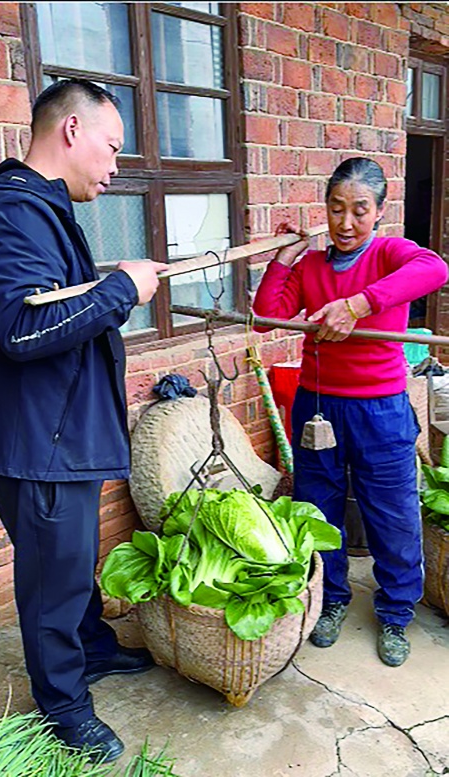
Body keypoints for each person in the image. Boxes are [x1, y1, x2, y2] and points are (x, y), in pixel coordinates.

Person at [0, 78, 168, 762]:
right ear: (71, 132)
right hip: (40, 440)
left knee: (71, 561)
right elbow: (20, 328)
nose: (117, 166)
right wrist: (123, 288)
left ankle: (90, 646)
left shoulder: (42, 209)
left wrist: (113, 285)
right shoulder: (11, 211)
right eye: (112, 147)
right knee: (50, 578)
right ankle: (63, 703)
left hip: (61, 432)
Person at [253, 157, 448, 668]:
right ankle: (332, 599)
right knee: (318, 509)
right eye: (336, 209)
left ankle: (395, 611)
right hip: (318, 406)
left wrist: (359, 304)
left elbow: (435, 268)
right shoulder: (313, 266)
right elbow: (266, 317)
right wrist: (286, 256)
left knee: (393, 512)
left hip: (380, 409)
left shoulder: (389, 254)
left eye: (359, 210)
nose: (345, 223)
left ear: (380, 211)